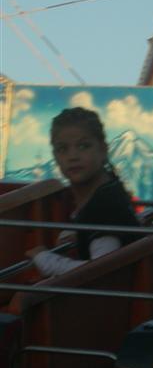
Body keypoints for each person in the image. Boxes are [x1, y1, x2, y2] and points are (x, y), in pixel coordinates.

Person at [25, 107, 140, 276]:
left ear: (103, 150)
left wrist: (45, 259)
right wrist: (79, 233)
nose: (73, 156)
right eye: (63, 149)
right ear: (55, 156)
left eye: (83, 146)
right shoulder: (109, 190)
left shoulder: (104, 208)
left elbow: (100, 271)